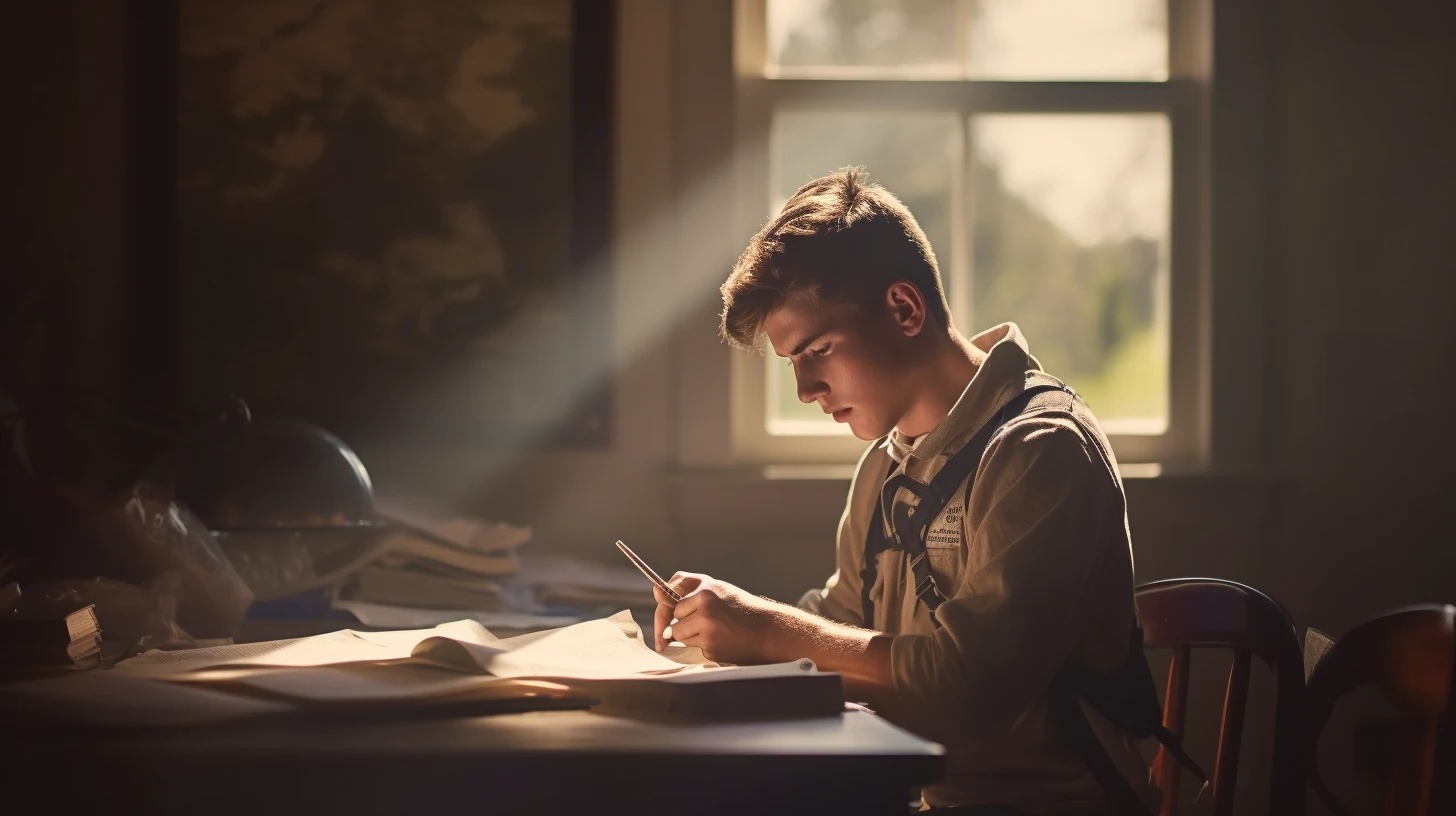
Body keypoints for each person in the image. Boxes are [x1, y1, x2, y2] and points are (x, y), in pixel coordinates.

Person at [653, 168, 1160, 814]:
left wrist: (766, 628)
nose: (807, 390)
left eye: (820, 350)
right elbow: (837, 626)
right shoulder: (883, 469)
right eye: (794, 365)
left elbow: (966, 691)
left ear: (905, 308)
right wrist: (718, 629)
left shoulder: (1042, 453)